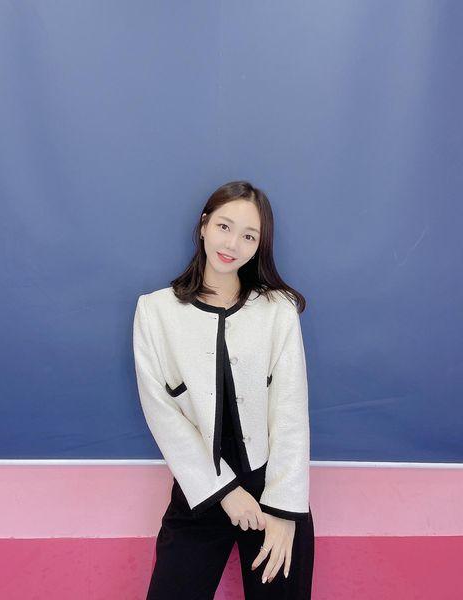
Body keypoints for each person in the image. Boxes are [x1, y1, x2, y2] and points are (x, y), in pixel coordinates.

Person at [133, 180, 314, 599]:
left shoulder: (278, 311)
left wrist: (285, 511)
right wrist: (226, 493)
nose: (232, 244)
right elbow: (162, 414)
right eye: (224, 226)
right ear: (203, 226)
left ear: (259, 245)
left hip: (274, 491)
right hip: (200, 489)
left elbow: (290, 412)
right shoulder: (155, 311)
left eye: (249, 236)